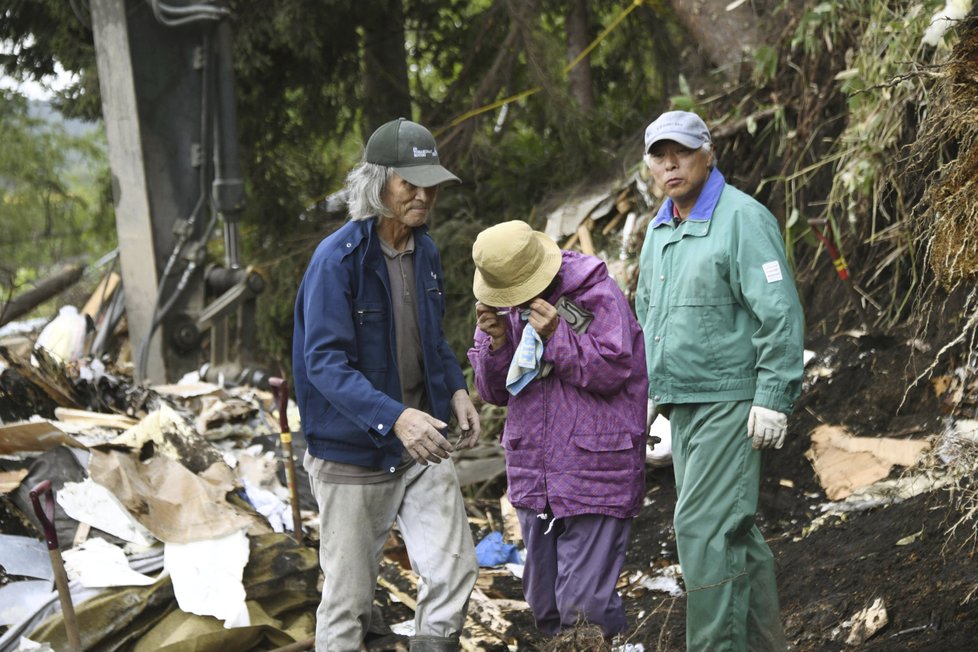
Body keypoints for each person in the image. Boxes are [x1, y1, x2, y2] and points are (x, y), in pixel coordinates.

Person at [292, 117, 480, 652]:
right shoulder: (337, 261)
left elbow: (433, 339)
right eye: (409, 184)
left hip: (423, 442)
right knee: (349, 603)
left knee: (453, 571)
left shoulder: (427, 253)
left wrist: (455, 390)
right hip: (355, 455)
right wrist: (395, 417)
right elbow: (323, 364)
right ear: (378, 185)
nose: (423, 196)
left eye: (430, 184)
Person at [635, 110, 805, 651]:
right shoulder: (659, 229)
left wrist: (774, 395)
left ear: (708, 154)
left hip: (730, 404)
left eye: (681, 152)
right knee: (735, 536)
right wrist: (648, 397)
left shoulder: (741, 218)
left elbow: (778, 311)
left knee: (704, 535)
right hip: (683, 406)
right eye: (660, 155)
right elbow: (647, 315)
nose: (670, 164)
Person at [467, 220, 648, 641]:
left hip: (594, 467)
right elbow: (493, 392)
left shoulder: (593, 289)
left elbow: (615, 370)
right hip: (535, 472)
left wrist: (556, 334)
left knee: (584, 610)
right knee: (544, 605)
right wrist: (496, 346)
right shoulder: (500, 304)